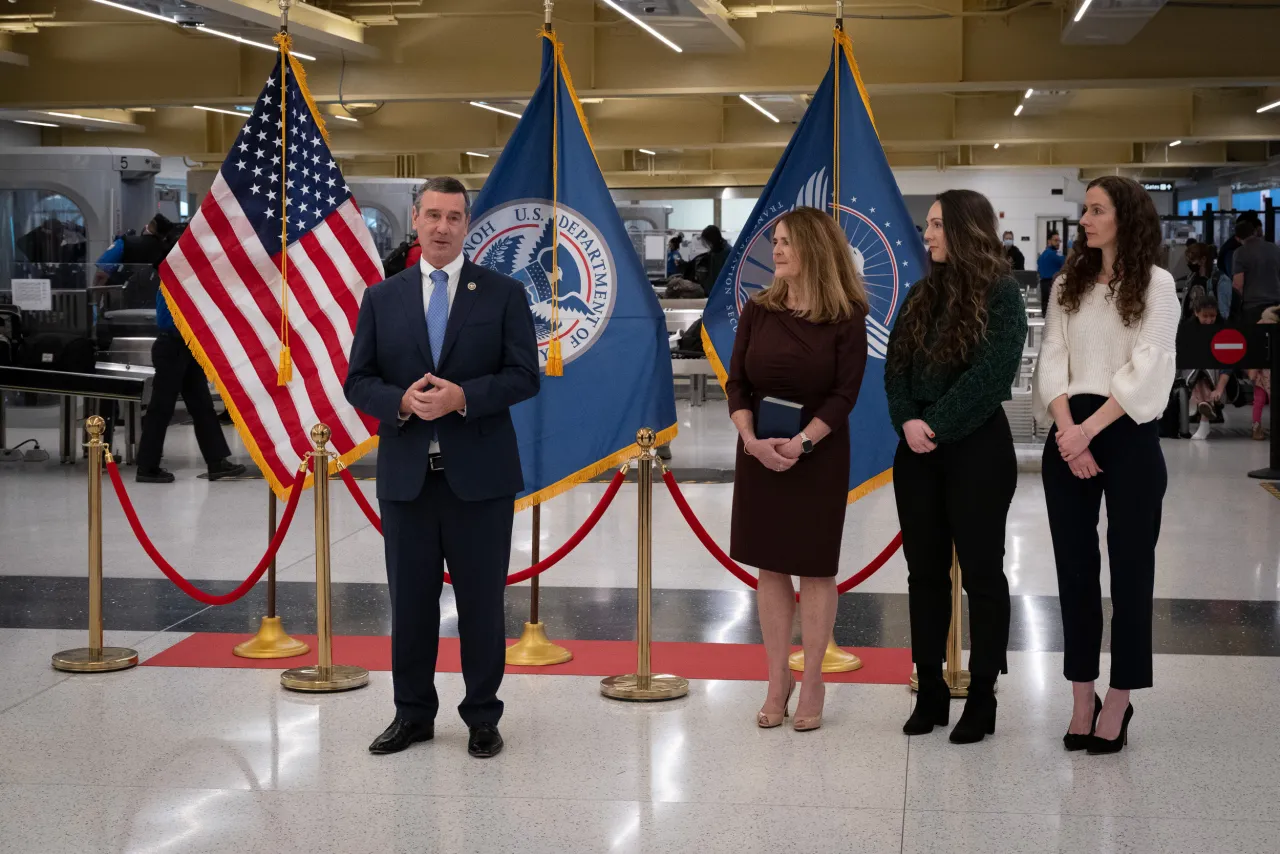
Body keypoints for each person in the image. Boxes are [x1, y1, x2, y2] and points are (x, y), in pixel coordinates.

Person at [344, 176, 539, 759]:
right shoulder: (384, 297)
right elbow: (358, 380)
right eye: (432, 215)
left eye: (454, 217)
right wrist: (401, 401)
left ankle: (482, 716)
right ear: (415, 218)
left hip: (479, 479)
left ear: (467, 223)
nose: (442, 227)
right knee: (409, 604)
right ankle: (412, 715)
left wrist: (463, 397)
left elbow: (524, 375)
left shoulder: (502, 293)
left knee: (481, 603)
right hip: (407, 478)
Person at [1033, 175, 1178, 755]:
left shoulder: (1158, 285)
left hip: (1127, 434)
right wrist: (1068, 431)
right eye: (1084, 210)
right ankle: (1081, 695)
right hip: (1070, 432)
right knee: (1073, 573)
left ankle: (1119, 698)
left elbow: (1152, 368)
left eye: (1096, 211)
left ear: (1126, 218)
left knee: (1131, 573)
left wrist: (1088, 432)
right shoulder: (1069, 283)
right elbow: (1052, 360)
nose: (1085, 221)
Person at [887, 191, 1026, 744]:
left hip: (977, 452)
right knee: (924, 575)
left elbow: (991, 379)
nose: (928, 235)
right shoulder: (921, 295)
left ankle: (983, 694)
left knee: (983, 577)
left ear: (969, 229)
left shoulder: (1002, 295)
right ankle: (932, 690)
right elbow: (895, 369)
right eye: (928, 226)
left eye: (939, 225)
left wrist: (934, 425)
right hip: (916, 451)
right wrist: (907, 421)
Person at [725, 206, 868, 734]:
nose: (776, 250)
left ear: (815, 247)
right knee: (770, 566)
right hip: (759, 451)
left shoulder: (847, 313)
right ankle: (775, 681)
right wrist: (751, 440)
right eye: (775, 242)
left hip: (818, 455)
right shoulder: (758, 310)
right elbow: (737, 382)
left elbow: (844, 393)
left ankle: (812, 681)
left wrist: (802, 444)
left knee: (814, 567)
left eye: (786, 242)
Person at [134, 220, 247, 484]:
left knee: (202, 406)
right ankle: (147, 466)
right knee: (161, 409)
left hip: (186, 347)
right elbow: (167, 320)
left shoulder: (187, 274)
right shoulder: (172, 273)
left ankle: (216, 461)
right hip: (172, 346)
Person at [1177, 296, 1231, 440]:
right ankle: (1207, 414)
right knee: (1200, 373)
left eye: (1212, 316)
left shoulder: (1223, 329)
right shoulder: (1187, 330)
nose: (1209, 320)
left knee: (1205, 373)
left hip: (1218, 374)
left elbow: (1228, 362)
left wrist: (1219, 388)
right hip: (1194, 372)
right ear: (1196, 313)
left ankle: (1205, 415)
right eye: (1205, 316)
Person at [1231, 219, 1280, 327]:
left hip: (1253, 307)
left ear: (1237, 238)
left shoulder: (1240, 253)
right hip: (1276, 306)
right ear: (1255, 232)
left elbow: (1238, 285)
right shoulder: (1275, 248)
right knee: (1275, 341)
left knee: (1254, 340)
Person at [1037, 230, 1065, 312]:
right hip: (1052, 284)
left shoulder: (1043, 255)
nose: (1058, 243)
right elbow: (1066, 263)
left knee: (1045, 308)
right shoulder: (1054, 255)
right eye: (1055, 240)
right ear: (1049, 241)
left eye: (1059, 240)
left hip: (1043, 284)